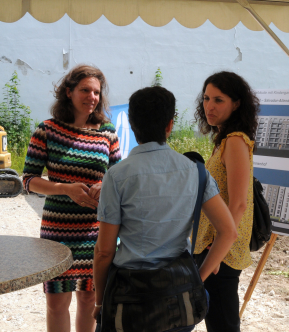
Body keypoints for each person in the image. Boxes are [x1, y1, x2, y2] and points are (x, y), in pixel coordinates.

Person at [92, 86, 238, 332]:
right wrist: (197, 280)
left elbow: (104, 252)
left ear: (131, 124)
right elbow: (229, 232)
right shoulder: (196, 172)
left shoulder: (117, 176)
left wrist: (99, 301)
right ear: (170, 125)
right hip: (178, 297)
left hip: (129, 296)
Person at [22, 64, 121, 332]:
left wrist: (104, 185)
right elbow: (29, 180)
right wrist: (65, 188)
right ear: (68, 91)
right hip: (57, 231)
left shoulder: (107, 132)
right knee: (56, 303)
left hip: (95, 231)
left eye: (97, 92)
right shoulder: (47, 130)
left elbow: (118, 177)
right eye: (85, 90)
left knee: (90, 298)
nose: (92, 97)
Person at [193, 71, 259, 332]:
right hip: (215, 243)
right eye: (207, 98)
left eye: (219, 100)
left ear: (237, 103)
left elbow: (240, 203)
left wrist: (218, 251)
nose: (209, 106)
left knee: (223, 323)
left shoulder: (234, 141)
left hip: (221, 248)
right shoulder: (223, 140)